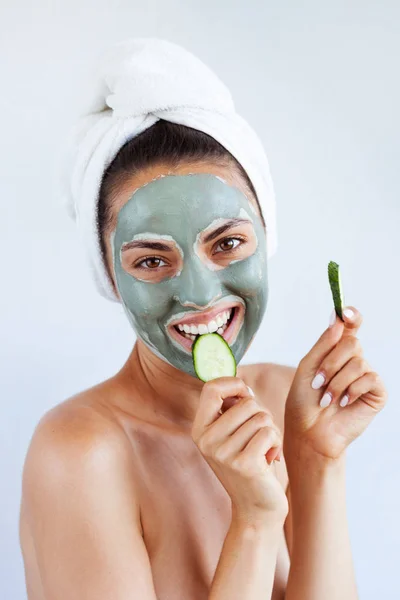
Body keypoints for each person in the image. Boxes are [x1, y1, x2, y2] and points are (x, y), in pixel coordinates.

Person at [19, 39, 388, 600]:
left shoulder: (284, 399)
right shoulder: (80, 454)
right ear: (111, 278)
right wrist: (255, 521)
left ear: (267, 240)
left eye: (228, 243)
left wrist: (316, 461)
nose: (197, 292)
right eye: (151, 259)